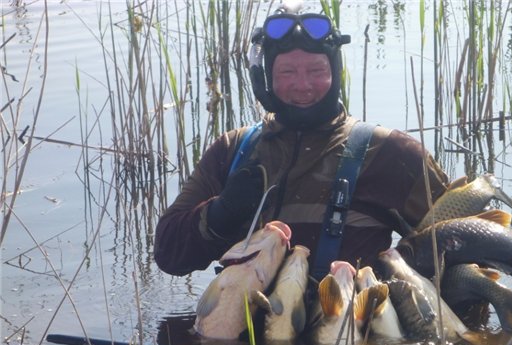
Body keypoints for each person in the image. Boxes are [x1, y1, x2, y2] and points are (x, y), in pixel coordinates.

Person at [154, 4, 449, 281]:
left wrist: (407, 282)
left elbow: (468, 247)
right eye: (287, 73)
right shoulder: (234, 150)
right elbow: (168, 256)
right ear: (265, 79)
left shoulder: (391, 153)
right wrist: (220, 214)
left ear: (335, 74)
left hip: (348, 327)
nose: (303, 85)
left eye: (316, 71)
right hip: (247, 329)